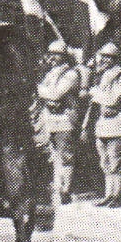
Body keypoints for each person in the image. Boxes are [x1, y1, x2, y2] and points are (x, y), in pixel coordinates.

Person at [36, 40, 85, 205]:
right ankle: (56, 187)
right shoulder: (50, 73)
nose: (53, 57)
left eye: (57, 54)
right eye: (52, 54)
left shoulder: (71, 74)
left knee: (65, 156)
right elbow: (42, 91)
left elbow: (55, 94)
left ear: (64, 57)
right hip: (49, 120)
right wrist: (44, 92)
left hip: (65, 120)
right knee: (52, 155)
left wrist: (42, 91)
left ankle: (65, 190)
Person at [86, 42, 121, 207]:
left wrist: (95, 93)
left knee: (117, 160)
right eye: (104, 56)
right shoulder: (101, 75)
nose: (105, 60)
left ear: (116, 58)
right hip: (103, 123)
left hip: (118, 122)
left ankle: (117, 195)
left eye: (109, 57)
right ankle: (108, 194)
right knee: (105, 160)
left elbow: (113, 99)